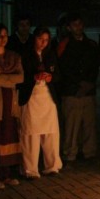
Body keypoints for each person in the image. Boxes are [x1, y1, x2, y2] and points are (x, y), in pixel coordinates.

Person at [19, 26, 63, 179]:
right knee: (31, 133)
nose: (43, 43)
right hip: (31, 96)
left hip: (47, 96)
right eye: (40, 39)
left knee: (50, 132)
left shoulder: (50, 54)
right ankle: (30, 169)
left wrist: (50, 77)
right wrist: (33, 77)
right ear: (34, 38)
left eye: (46, 40)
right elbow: (20, 75)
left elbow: (57, 74)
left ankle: (52, 166)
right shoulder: (25, 54)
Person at [57, 13, 100, 165]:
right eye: (75, 25)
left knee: (89, 124)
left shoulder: (91, 44)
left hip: (88, 89)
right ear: (69, 27)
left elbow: (95, 66)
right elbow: (62, 68)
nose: (78, 27)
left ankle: (89, 152)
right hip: (71, 90)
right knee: (71, 125)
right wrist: (78, 84)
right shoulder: (63, 44)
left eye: (80, 24)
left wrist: (89, 83)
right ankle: (70, 153)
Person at [0, 23, 24, 190]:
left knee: (10, 134)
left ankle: (7, 173)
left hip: (11, 100)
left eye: (5, 36)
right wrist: (8, 78)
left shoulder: (13, 56)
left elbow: (21, 77)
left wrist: (2, 77)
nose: (3, 39)